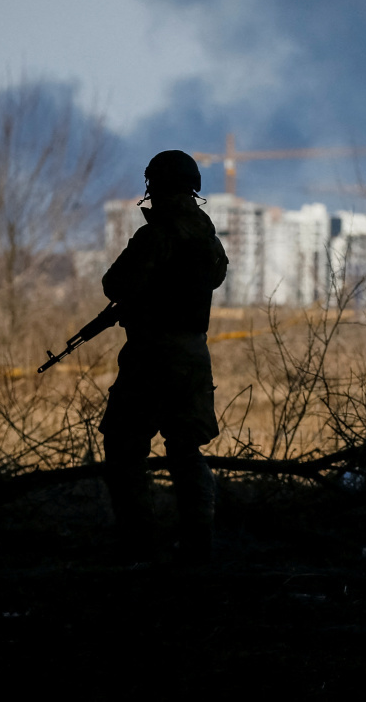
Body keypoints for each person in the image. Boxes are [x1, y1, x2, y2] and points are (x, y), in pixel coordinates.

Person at [100, 150, 229, 564]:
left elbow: (115, 284)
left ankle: (139, 545)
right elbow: (215, 276)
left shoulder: (158, 235)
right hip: (194, 354)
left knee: (124, 448)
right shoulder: (206, 235)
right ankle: (198, 546)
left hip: (153, 355)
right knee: (186, 451)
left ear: (154, 187)